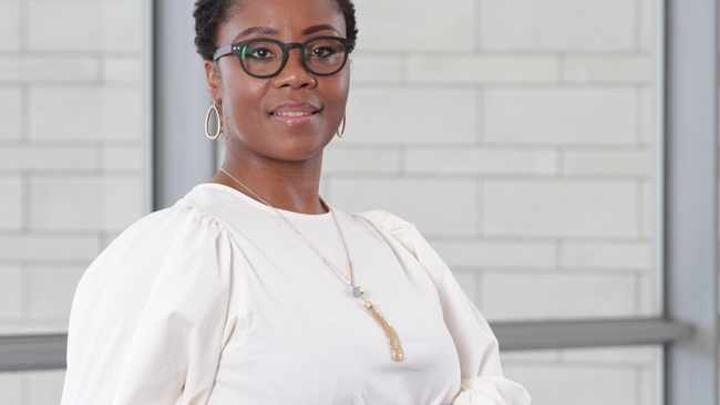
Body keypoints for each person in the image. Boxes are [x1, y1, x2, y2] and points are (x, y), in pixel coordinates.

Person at [60, 0, 531, 404]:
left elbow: (490, 387)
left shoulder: (397, 247)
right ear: (214, 78)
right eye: (260, 53)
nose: (296, 75)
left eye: (322, 51)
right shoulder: (176, 254)